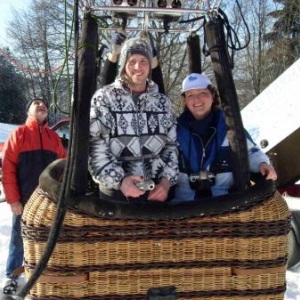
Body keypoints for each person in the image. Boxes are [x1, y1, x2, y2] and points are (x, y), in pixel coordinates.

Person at [89, 37, 178, 202]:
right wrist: (119, 181)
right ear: (123, 64)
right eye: (132, 61)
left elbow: (171, 146)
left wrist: (166, 182)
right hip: (116, 194)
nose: (138, 67)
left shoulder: (162, 102)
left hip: (156, 193)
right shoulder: (104, 97)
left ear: (150, 65)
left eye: (144, 61)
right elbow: (94, 145)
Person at [172, 73, 277, 203]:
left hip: (224, 201)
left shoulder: (230, 126)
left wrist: (262, 163)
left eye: (202, 93)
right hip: (183, 202)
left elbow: (250, 151)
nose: (197, 100)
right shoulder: (175, 130)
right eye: (190, 95)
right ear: (185, 100)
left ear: (213, 95)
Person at [2, 98, 66, 294]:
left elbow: (64, 166)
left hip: (50, 203)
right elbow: (8, 169)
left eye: (44, 104)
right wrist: (13, 199)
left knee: (49, 238)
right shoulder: (18, 134)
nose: (41, 105)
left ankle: (46, 274)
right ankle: (12, 276)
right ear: (28, 110)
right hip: (24, 201)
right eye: (36, 103)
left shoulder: (53, 137)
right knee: (19, 239)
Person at [99, 30, 165, 94]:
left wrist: (152, 54)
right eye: (132, 62)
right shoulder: (111, 96)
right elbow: (105, 92)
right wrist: (114, 53)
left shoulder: (157, 98)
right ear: (124, 67)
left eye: (143, 62)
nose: (138, 67)